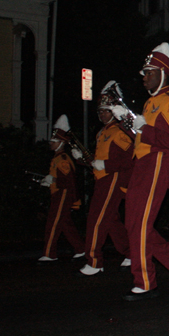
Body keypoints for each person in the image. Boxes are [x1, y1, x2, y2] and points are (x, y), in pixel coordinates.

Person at [111, 43, 169, 301]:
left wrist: (141, 127)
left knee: (140, 224)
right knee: (134, 223)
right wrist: (126, 120)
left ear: (162, 72)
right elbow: (144, 137)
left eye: (148, 72)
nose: (144, 77)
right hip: (143, 164)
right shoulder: (151, 103)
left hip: (157, 164)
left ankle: (146, 281)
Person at [77, 82, 133, 276]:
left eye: (105, 111)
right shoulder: (102, 132)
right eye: (99, 111)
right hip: (102, 180)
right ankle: (131, 253)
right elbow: (97, 162)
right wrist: (83, 160)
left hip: (113, 179)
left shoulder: (119, 132)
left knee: (96, 219)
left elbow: (129, 160)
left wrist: (106, 165)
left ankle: (94, 261)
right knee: (110, 221)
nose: (101, 114)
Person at [38, 115, 84, 262]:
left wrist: (53, 180)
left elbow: (68, 181)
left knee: (53, 222)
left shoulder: (63, 159)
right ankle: (81, 249)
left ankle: (49, 253)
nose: (51, 143)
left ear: (61, 143)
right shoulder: (57, 158)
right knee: (65, 223)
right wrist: (49, 181)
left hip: (63, 194)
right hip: (59, 193)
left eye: (54, 141)